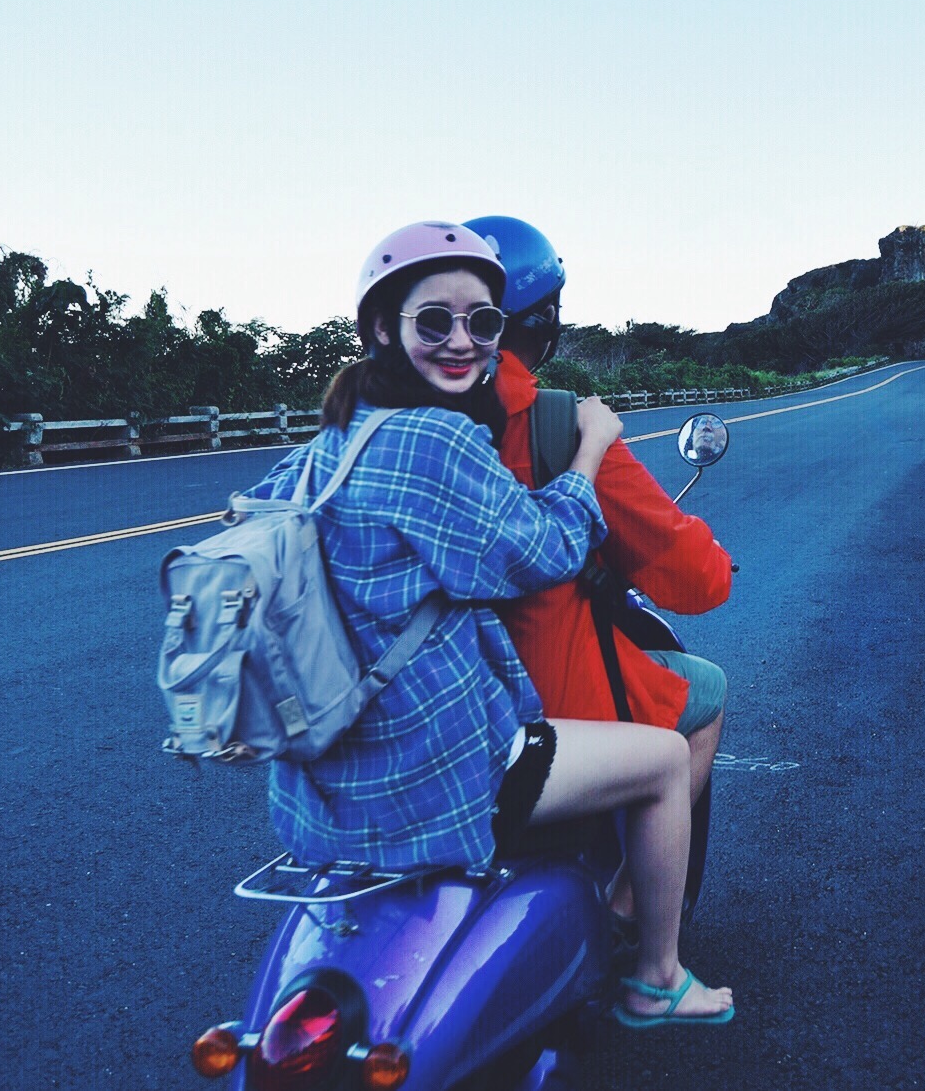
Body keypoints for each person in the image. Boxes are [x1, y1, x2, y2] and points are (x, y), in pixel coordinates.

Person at [239, 221, 733, 1026]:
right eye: (435, 320)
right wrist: (590, 451)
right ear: (382, 328)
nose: (462, 340)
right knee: (666, 758)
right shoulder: (441, 439)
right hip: (438, 772)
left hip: (318, 784)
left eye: (481, 321)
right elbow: (547, 551)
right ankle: (656, 975)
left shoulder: (332, 441)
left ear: (506, 327)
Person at [464, 215, 734, 925]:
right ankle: (629, 915)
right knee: (705, 692)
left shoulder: (393, 433)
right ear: (544, 320)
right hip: (538, 703)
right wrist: (710, 555)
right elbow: (694, 579)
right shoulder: (558, 427)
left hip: (425, 708)